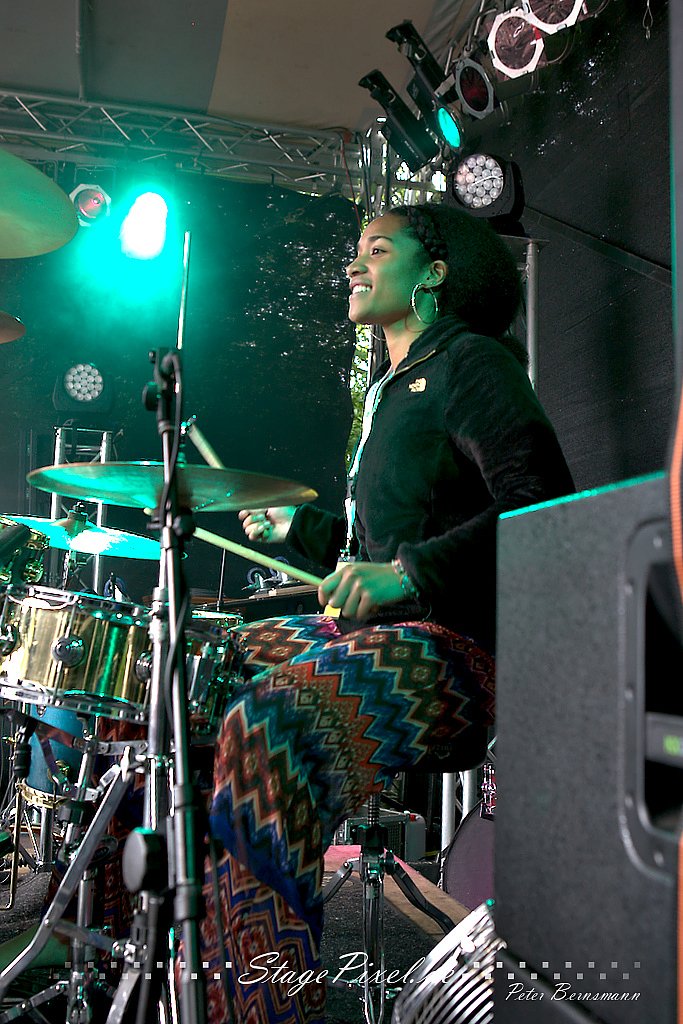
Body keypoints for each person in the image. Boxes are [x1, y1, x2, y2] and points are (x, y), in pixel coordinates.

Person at [200, 201, 575, 1023]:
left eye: (377, 249)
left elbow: (542, 503)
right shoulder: (390, 391)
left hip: (460, 652)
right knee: (195, 674)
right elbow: (376, 548)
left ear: (434, 273)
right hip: (376, 633)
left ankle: (258, 1005)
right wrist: (302, 531)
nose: (353, 264)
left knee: (270, 723)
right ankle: (154, 953)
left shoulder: (470, 363)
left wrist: (408, 575)